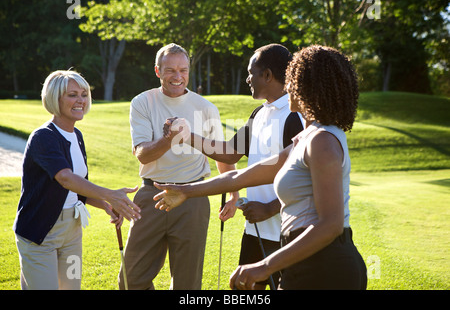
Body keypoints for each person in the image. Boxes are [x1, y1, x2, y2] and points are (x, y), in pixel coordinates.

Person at [153, 45, 367, 290]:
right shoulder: (305, 138)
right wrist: (186, 191)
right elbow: (241, 175)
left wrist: (265, 266)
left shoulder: (322, 142)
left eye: (293, 80)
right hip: (302, 258)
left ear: (308, 88)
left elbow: (331, 225)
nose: (289, 86)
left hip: (325, 266)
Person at [164, 44, 304, 290]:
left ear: (268, 75)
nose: (247, 78)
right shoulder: (259, 114)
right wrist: (186, 135)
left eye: (252, 72)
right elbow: (229, 152)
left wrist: (270, 208)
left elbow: (307, 179)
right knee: (244, 289)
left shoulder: (296, 117)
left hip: (289, 233)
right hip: (256, 230)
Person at [120, 43, 238, 290]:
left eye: (183, 70)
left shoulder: (206, 108)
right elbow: (142, 154)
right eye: (170, 70)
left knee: (187, 284)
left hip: (193, 197)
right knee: (131, 279)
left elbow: (221, 155)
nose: (177, 76)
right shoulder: (142, 102)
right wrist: (169, 138)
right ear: (157, 71)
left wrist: (233, 193)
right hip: (151, 195)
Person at [13, 70, 141, 290]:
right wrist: (109, 194)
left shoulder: (77, 136)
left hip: (72, 232)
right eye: (72, 95)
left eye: (83, 94)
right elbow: (65, 178)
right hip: (39, 234)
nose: (80, 100)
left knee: (71, 287)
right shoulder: (43, 137)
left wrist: (105, 204)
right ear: (55, 98)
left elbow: (79, 188)